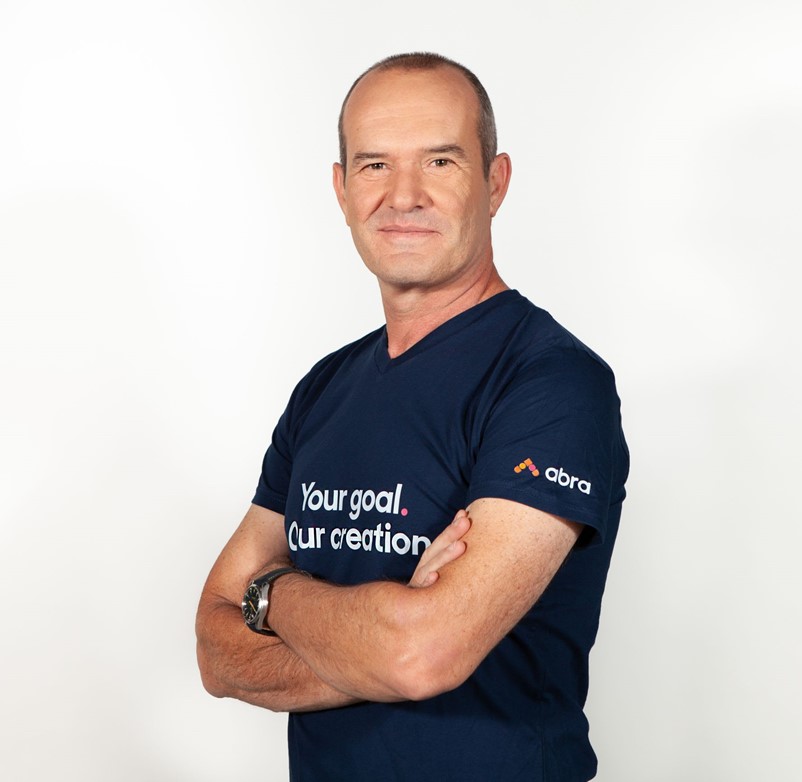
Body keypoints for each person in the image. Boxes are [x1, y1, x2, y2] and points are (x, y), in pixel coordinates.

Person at [195, 52, 629, 782]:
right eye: (374, 165)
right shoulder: (323, 389)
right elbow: (216, 649)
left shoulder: (551, 383)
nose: (403, 196)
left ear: (495, 182)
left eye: (439, 161)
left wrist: (273, 593)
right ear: (341, 189)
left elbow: (420, 655)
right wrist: (386, 634)